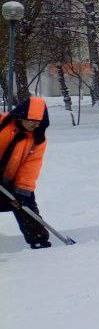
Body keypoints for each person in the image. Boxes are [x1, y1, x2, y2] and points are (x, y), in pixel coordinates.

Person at [0, 96, 52, 249]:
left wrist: (22, 192)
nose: (32, 125)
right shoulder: (3, 124)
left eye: (37, 122)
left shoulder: (38, 139)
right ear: (21, 115)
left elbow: (31, 167)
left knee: (25, 205)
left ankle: (39, 240)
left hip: (11, 181)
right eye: (29, 120)